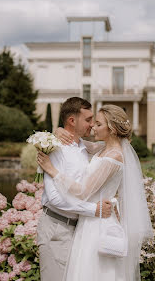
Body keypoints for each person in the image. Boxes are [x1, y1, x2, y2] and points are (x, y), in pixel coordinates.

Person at [37, 104, 153, 281]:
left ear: (112, 128)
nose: (93, 126)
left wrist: (52, 170)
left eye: (98, 124)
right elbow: (78, 142)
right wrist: (58, 131)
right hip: (89, 221)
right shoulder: (102, 148)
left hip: (97, 225)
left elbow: (83, 191)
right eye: (92, 122)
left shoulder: (114, 156)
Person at [36, 97, 113, 281]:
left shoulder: (82, 147)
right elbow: (54, 198)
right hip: (57, 229)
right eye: (88, 120)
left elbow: (114, 145)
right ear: (72, 120)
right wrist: (94, 210)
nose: (92, 124)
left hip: (78, 230)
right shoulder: (56, 149)